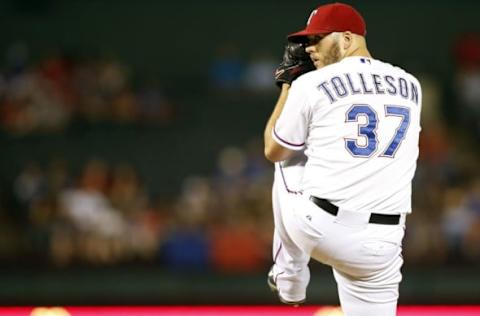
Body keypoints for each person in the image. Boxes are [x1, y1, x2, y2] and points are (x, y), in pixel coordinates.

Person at [263, 3, 422, 316]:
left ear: (347, 39)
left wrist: (287, 86)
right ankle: (290, 276)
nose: (309, 48)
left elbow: (273, 149)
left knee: (289, 158)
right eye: (308, 41)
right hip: (385, 244)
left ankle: (290, 277)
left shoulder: (310, 84)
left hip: (322, 229)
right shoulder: (411, 85)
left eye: (318, 39)